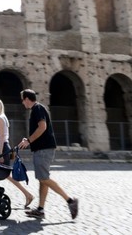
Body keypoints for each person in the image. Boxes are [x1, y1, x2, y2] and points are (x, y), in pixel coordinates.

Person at [17, 89, 79, 220]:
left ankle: (70, 201)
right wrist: (27, 140)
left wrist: (28, 140)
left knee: (44, 178)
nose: (22, 102)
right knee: (42, 179)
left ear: (27, 99)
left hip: (44, 149)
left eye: (23, 99)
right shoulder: (37, 109)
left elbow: (42, 127)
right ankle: (40, 210)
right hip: (42, 149)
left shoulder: (38, 109)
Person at [0, 99, 34, 208]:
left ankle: (28, 194)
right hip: (0, 147)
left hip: (2, 148)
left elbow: (2, 137)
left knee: (1, 173)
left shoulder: (0, 118)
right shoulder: (1, 117)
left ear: (0, 107)